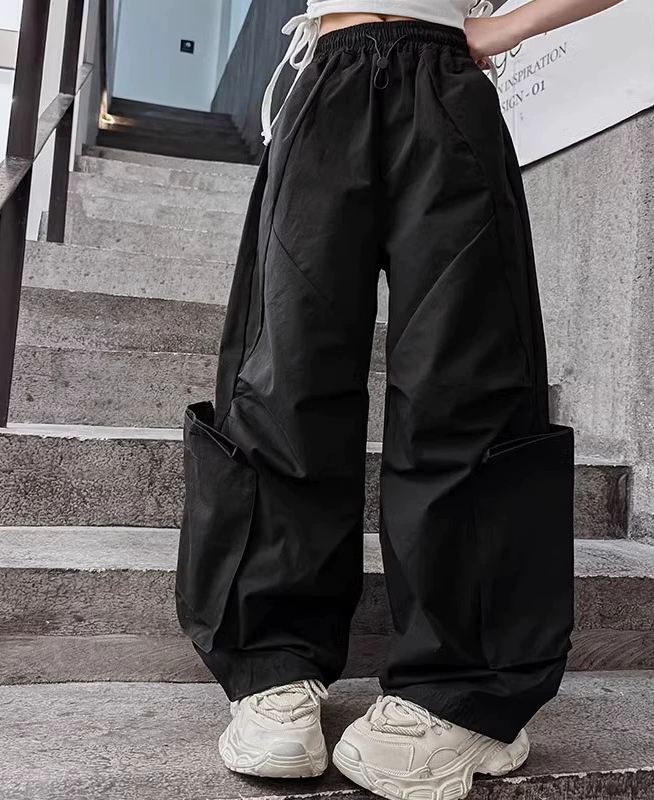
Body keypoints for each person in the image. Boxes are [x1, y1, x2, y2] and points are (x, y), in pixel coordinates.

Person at [176, 0, 624, 797]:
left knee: (466, 382)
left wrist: (510, 25)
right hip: (326, 81)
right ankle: (272, 664)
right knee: (284, 379)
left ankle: (464, 692)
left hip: (447, 82)